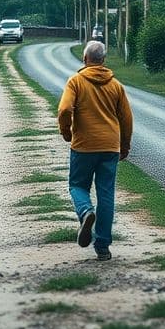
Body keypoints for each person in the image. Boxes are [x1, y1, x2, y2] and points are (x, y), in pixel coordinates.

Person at [57, 40, 133, 261]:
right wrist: (124, 145)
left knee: (77, 185)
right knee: (106, 194)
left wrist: (67, 132)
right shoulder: (116, 86)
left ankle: (85, 212)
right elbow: (126, 119)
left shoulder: (76, 82)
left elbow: (64, 110)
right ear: (104, 60)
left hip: (84, 146)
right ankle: (103, 246)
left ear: (84, 59)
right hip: (110, 146)